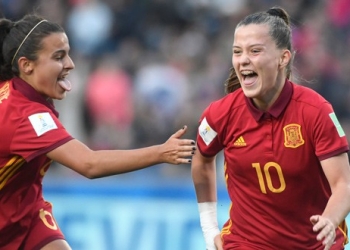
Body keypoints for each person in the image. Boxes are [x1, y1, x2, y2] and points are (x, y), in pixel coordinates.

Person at [0, 14, 196, 250]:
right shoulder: (27, 117)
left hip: (26, 211)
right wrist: (160, 153)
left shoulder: (12, 91)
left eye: (68, 53)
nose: (70, 64)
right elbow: (89, 164)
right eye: (58, 57)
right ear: (26, 65)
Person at [191, 6, 350, 250]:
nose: (243, 59)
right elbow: (201, 161)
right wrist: (209, 227)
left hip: (316, 246)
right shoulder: (220, 114)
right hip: (245, 244)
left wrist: (329, 221)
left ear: (283, 58)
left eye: (255, 51)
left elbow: (344, 184)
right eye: (237, 52)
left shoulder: (316, 110)